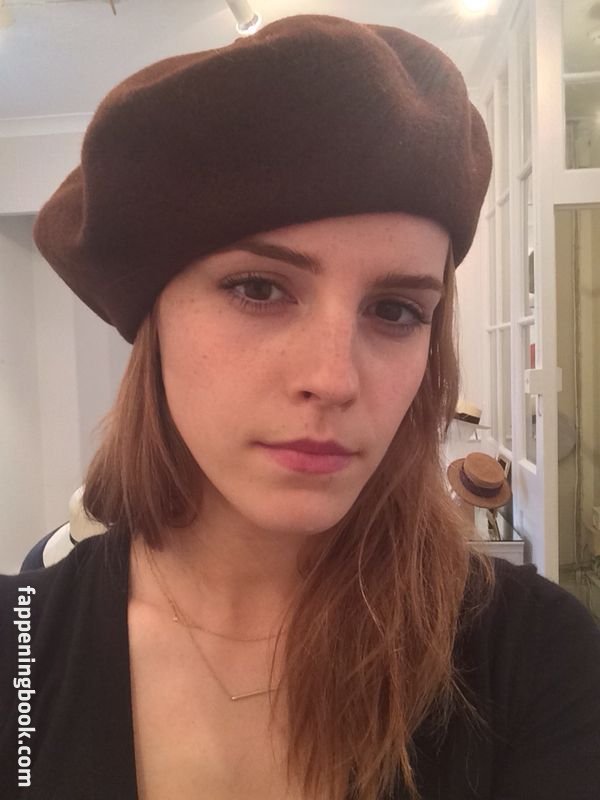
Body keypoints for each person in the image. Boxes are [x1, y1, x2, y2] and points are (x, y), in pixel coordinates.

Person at [1, 13, 599, 800]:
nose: (334, 378)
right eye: (259, 288)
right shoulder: (21, 653)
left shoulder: (538, 659)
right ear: (153, 323)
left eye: (395, 309)